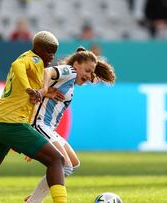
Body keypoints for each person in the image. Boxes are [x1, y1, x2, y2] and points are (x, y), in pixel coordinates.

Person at [0, 31, 69, 203]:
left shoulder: (33, 60)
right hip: (11, 124)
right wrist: (27, 88)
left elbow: (28, 90)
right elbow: (17, 65)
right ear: (38, 48)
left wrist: (43, 92)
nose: (52, 56)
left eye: (54, 52)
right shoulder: (33, 59)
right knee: (57, 160)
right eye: (49, 51)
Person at [25, 47, 116, 203]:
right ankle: (34, 201)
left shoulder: (71, 80)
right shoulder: (69, 71)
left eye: (91, 73)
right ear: (76, 64)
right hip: (40, 125)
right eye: (87, 71)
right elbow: (47, 72)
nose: (88, 76)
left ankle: (33, 199)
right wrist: (45, 90)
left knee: (73, 164)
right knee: (63, 165)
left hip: (47, 129)